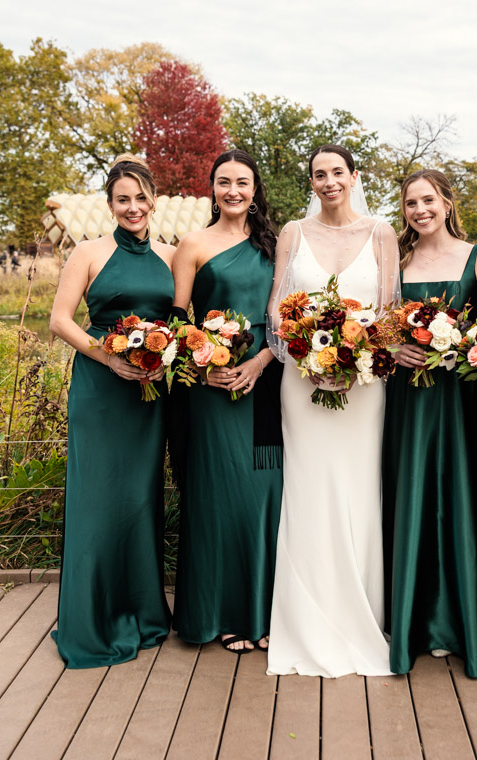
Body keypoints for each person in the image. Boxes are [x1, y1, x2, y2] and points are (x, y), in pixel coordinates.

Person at [266, 145, 400, 677]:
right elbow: (276, 308)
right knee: (309, 489)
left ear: (354, 176)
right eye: (318, 174)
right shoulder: (292, 234)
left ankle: (363, 611)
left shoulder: (382, 233)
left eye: (336, 172)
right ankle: (305, 619)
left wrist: (356, 362)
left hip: (364, 388)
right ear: (312, 181)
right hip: (302, 384)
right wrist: (305, 356)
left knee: (358, 489)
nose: (328, 182)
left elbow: (390, 313)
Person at [49, 154, 175, 668]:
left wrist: (167, 358)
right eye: (122, 199)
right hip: (101, 392)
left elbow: (182, 322)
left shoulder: (171, 254)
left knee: (139, 498)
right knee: (98, 498)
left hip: (149, 393)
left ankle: (143, 614)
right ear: (110, 204)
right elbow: (60, 320)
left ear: (152, 201)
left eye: (140, 198)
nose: (133, 207)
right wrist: (107, 356)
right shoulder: (87, 252)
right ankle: (92, 619)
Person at [382, 170, 477, 678]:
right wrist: (393, 346)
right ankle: (411, 620)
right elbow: (382, 325)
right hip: (409, 397)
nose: (419, 210)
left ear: (447, 203)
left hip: (459, 396)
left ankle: (455, 619)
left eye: (428, 200)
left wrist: (465, 344)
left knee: (459, 496)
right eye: (410, 203)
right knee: (412, 495)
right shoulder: (397, 262)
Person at [171, 149, 282, 654]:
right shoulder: (193, 245)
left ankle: (260, 613)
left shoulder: (277, 246)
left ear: (256, 189)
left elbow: (288, 316)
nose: (233, 190)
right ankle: (214, 615)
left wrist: (259, 363)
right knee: (215, 499)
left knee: (263, 499)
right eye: (223, 182)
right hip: (210, 388)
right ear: (211, 189)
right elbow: (177, 319)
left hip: (267, 379)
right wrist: (203, 358)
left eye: (242, 182)